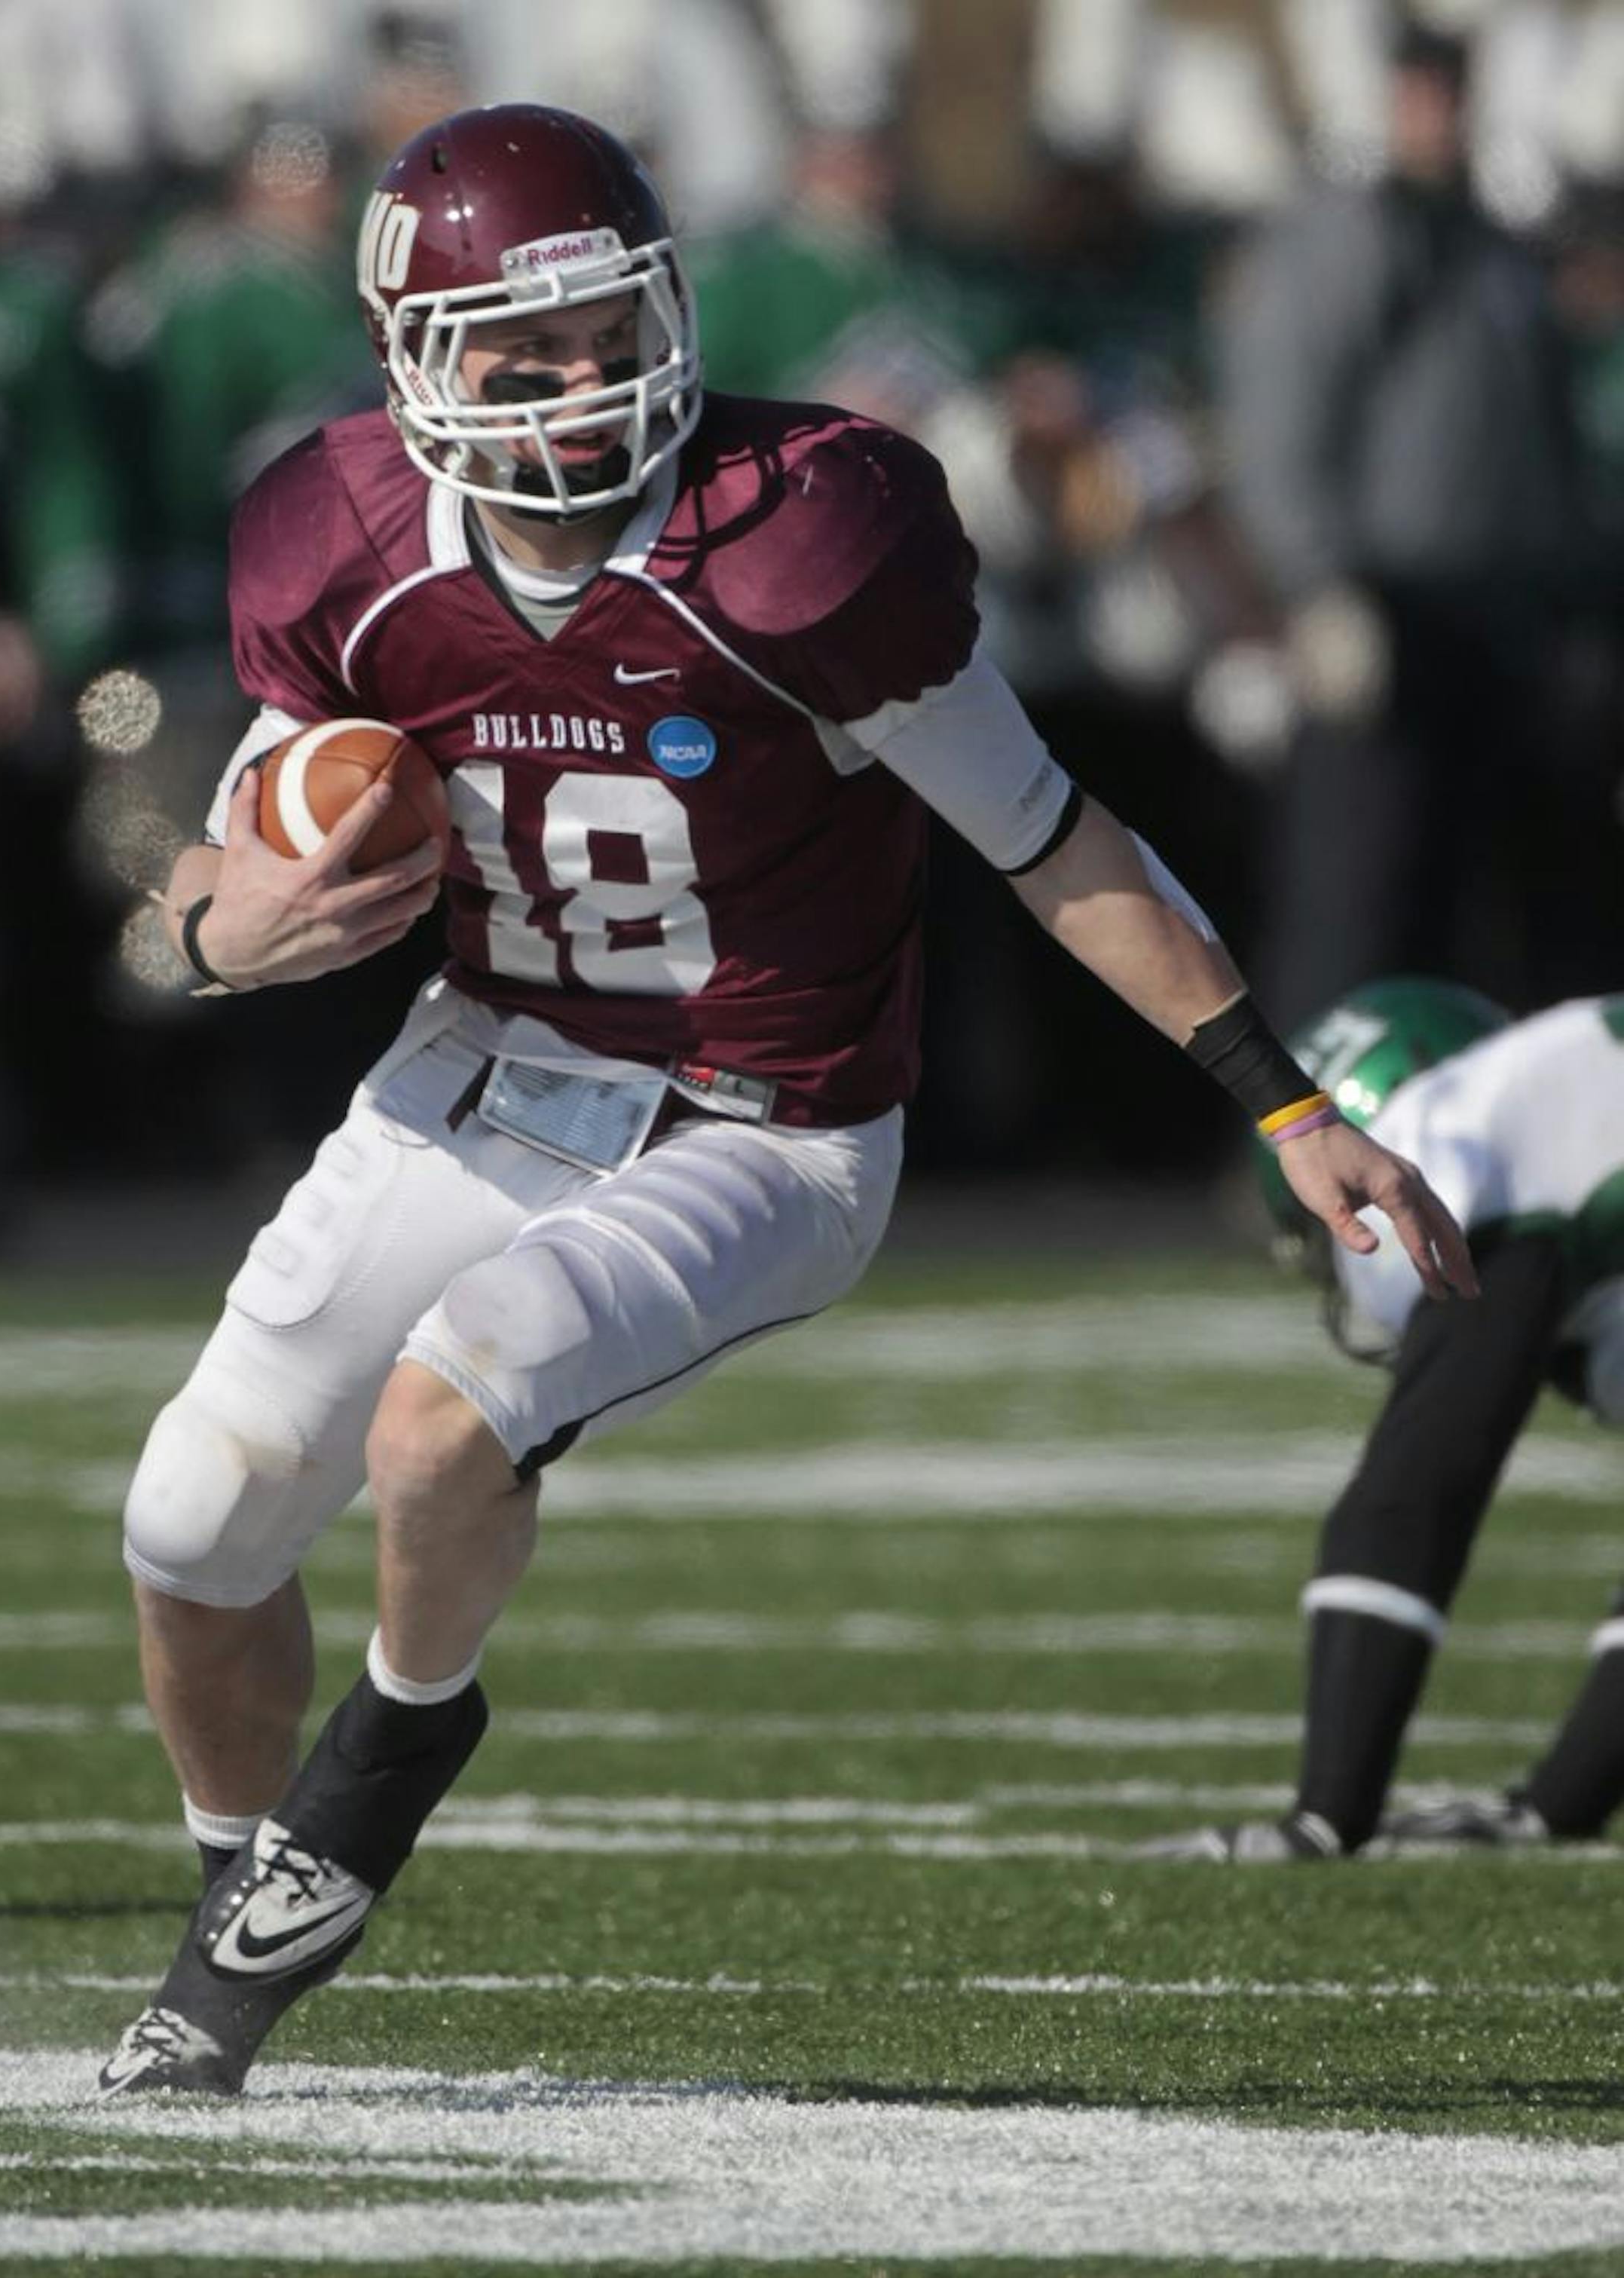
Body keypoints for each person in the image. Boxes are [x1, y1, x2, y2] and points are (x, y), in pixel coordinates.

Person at [96, 103, 1473, 2097]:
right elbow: (219, 872)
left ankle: (377, 1769)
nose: (582, 383)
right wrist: (233, 939)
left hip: (769, 1112)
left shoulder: (804, 534)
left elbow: (1054, 838)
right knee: (191, 1512)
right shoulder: (342, 538)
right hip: (490, 1063)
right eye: (523, 350)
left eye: (607, 330)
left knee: (446, 1411)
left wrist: (1283, 1100)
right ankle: (244, 1889)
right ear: (420, 360)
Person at [1145, 979, 1624, 1864]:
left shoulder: (1461, 1132)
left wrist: (1330, 1816)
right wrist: (1557, 1811)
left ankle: (1331, 1812)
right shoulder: (1574, 1097)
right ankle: (1556, 1808)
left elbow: (1415, 1496)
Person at [1215, 21, 1616, 1030]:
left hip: (1509, 615)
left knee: (1505, 906)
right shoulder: (1342, 236)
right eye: (1416, 91)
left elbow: (1546, 437)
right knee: (1358, 901)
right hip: (1388, 608)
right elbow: (1279, 424)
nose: (1436, 114)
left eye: (1449, 90)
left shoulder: (1496, 243)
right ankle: (1308, 1142)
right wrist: (1318, 588)